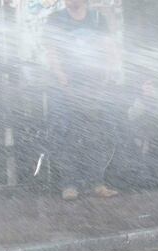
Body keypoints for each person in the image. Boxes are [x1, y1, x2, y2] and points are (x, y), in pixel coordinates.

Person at [46, 0, 122, 201]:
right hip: (66, 85)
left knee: (95, 132)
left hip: (93, 86)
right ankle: (69, 184)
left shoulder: (97, 18)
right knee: (65, 131)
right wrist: (61, 77)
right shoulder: (55, 19)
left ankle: (97, 183)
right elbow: (51, 51)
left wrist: (105, 79)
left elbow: (109, 49)